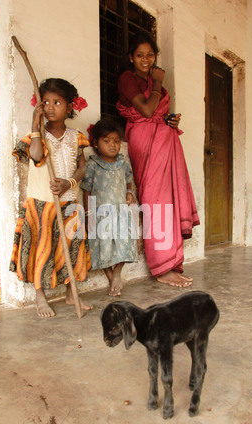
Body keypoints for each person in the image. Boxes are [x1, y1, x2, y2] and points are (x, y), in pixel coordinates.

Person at [116, 32, 200, 288]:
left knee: (169, 200)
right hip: (144, 142)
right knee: (155, 200)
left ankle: (172, 261)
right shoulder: (128, 78)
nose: (145, 59)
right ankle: (161, 267)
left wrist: (170, 121)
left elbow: (157, 113)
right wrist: (157, 82)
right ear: (131, 57)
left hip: (164, 140)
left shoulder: (155, 84)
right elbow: (146, 110)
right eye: (140, 55)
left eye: (150, 55)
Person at [10, 78, 92, 317]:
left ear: (69, 108)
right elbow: (36, 156)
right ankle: (40, 296)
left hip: (69, 202)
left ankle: (70, 293)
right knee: (42, 248)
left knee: (72, 247)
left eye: (57, 102)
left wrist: (70, 182)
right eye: (45, 102)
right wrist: (35, 124)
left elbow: (81, 167)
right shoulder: (38, 135)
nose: (49, 107)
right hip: (41, 203)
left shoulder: (76, 136)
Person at [81, 119, 138, 296]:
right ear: (96, 144)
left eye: (116, 141)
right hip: (100, 215)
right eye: (106, 141)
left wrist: (129, 192)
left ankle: (117, 273)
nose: (112, 145)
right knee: (102, 247)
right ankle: (110, 276)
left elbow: (128, 179)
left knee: (124, 243)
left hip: (121, 212)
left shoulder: (123, 163)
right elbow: (86, 190)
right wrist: (89, 213)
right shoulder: (92, 165)